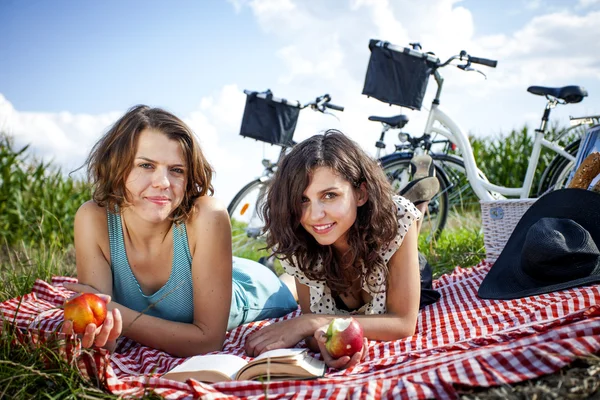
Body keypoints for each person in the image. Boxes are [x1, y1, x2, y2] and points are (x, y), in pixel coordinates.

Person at [62, 105, 297, 357]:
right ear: (116, 167)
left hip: (252, 292)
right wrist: (102, 334)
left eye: (176, 170)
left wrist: (115, 312)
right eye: (145, 165)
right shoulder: (93, 219)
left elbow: (207, 342)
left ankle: (293, 278)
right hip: (211, 266)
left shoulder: (207, 216)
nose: (162, 183)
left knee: (286, 285)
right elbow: (101, 326)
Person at [245, 130, 440, 369]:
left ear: (360, 193)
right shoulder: (300, 238)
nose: (314, 215)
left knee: (403, 221)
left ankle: (419, 203)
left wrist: (310, 322)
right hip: (345, 248)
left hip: (389, 249)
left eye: (329, 195)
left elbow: (402, 323)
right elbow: (315, 330)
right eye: (302, 200)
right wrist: (320, 340)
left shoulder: (397, 220)